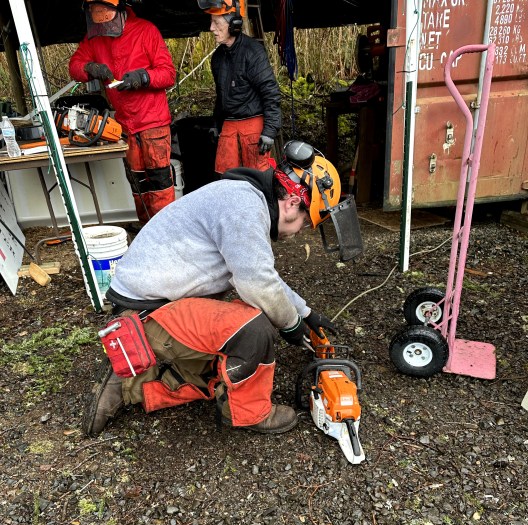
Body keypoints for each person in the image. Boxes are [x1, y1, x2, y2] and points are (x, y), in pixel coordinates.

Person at [83, 140, 361, 438]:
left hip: (156, 307)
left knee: (224, 367)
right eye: (306, 223)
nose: (297, 233)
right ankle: (248, 413)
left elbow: (261, 274)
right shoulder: (243, 207)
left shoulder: (243, 200)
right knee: (256, 329)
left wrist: (305, 312)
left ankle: (136, 382)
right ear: (293, 203)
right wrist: (291, 326)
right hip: (145, 317)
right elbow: (258, 283)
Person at [69, 0, 176, 224]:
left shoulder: (146, 31)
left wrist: (143, 77)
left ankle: (168, 233)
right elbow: (75, 65)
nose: (105, 27)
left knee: (160, 183)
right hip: (125, 125)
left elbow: (167, 73)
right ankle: (147, 230)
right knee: (137, 183)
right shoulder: (95, 37)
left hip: (152, 122)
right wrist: (90, 68)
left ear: (119, 11)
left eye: (106, 19)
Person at [198, 0, 281, 174]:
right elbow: (222, 96)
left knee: (257, 179)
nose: (211, 28)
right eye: (211, 22)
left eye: (216, 22)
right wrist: (216, 124)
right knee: (227, 179)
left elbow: (270, 93)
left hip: (253, 128)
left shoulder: (253, 52)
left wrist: (269, 131)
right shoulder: (218, 58)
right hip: (229, 127)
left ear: (234, 25)